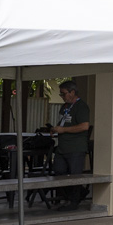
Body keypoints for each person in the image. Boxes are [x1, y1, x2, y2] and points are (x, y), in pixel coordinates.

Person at [47, 79, 90, 210]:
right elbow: (65, 122)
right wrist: (56, 129)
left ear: (72, 92)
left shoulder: (81, 106)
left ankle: (74, 201)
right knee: (59, 172)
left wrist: (63, 130)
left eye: (64, 93)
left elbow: (84, 126)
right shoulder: (65, 107)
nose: (62, 97)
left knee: (74, 175)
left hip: (75, 147)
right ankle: (79, 193)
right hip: (62, 147)